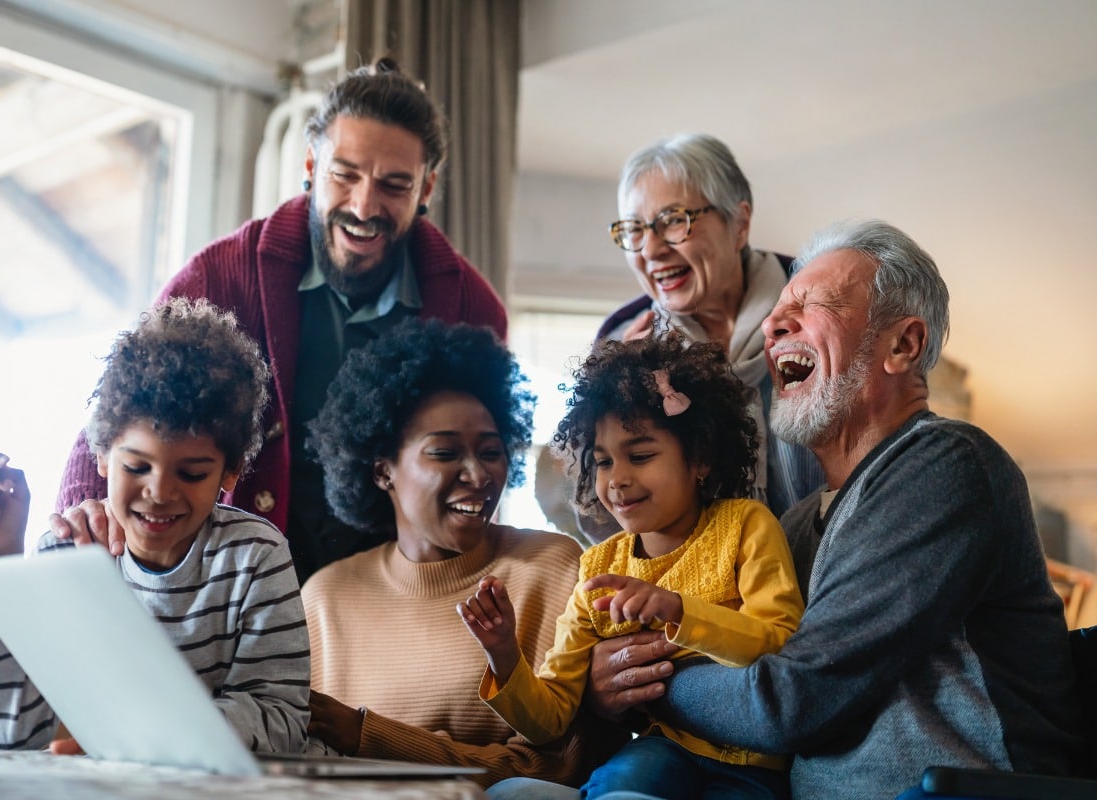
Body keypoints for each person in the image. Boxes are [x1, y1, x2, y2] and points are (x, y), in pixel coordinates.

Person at [581, 219, 1083, 800]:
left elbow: (790, 702)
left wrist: (639, 679)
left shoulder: (947, 465)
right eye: (777, 311)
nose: (773, 324)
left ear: (904, 345)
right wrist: (599, 684)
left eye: (812, 304)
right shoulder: (789, 527)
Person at [51, 57, 506, 583]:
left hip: (389, 594)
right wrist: (84, 512)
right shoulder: (221, 276)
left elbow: (479, 473)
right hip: (229, 585)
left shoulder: (474, 312)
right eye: (345, 174)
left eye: (394, 185)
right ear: (311, 166)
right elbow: (131, 401)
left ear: (426, 190)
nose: (363, 205)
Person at [460, 333, 804, 800]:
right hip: (661, 750)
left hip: (756, 764)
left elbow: (779, 642)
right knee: (535, 792)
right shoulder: (597, 568)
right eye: (602, 462)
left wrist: (678, 612)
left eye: (640, 456)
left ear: (700, 457)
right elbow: (550, 720)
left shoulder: (746, 525)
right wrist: (503, 655)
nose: (617, 480)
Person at [0, 298, 310, 755]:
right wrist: (0, 559)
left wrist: (145, 743)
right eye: (137, 466)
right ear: (102, 456)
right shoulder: (63, 559)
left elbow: (281, 720)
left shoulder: (256, 556)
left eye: (192, 473)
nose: (160, 492)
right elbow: (12, 736)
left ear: (231, 472)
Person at [300, 318, 626, 789]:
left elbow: (554, 770)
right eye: (445, 453)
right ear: (382, 471)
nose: (478, 474)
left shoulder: (551, 570)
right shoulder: (325, 599)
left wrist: (369, 736)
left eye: (491, 451)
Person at [597, 133, 822, 526]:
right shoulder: (621, 344)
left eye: (673, 221)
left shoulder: (821, 312)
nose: (650, 250)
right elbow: (599, 507)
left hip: (824, 567)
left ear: (739, 224)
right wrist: (621, 398)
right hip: (685, 582)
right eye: (634, 230)